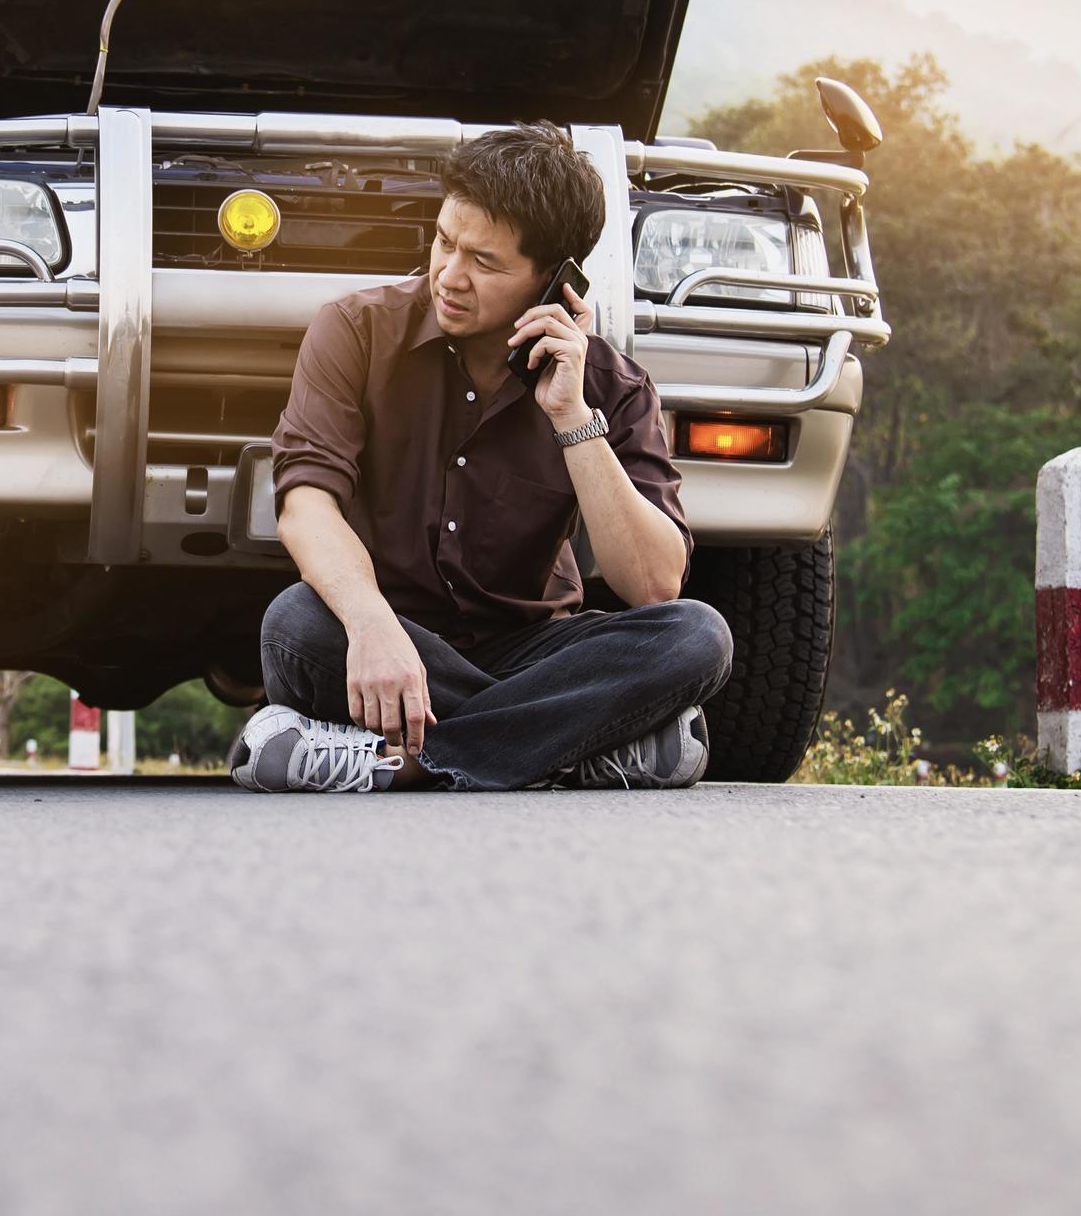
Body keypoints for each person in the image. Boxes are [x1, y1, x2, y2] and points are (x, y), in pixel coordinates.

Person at [229, 124, 735, 793]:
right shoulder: (355, 330)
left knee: (697, 637)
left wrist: (571, 417)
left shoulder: (611, 387)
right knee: (295, 624)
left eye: (485, 262)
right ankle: (574, 748)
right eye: (444, 241)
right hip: (384, 635)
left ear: (554, 279)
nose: (449, 275)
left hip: (533, 652)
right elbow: (305, 506)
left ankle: (401, 762)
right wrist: (370, 621)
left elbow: (652, 586)